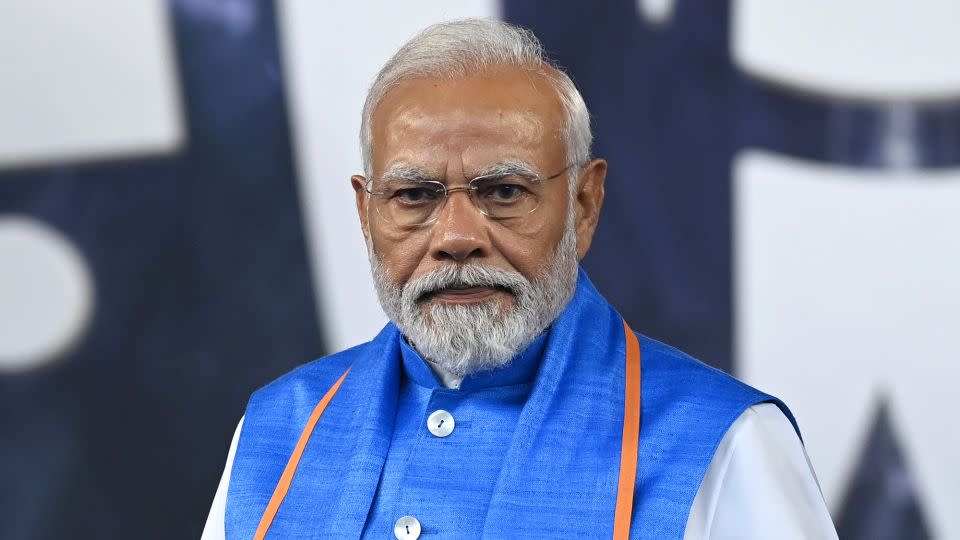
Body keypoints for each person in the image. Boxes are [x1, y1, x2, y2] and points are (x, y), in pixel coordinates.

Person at [202, 19, 837, 539]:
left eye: (504, 191)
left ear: (584, 206)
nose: (456, 236)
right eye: (414, 196)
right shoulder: (278, 433)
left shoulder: (724, 444)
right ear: (366, 214)